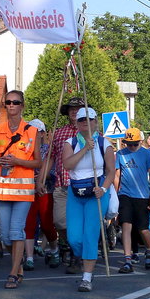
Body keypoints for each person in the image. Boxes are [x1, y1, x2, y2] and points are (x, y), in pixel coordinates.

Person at [0, 90, 41, 289]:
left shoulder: (32, 131)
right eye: (8, 102)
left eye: (15, 102)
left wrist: (18, 161)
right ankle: (18, 266)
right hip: (2, 189)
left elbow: (38, 163)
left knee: (17, 231)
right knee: (5, 235)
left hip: (23, 190)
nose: (11, 105)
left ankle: (13, 274)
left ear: (22, 106)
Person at [62, 107, 115, 292]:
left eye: (89, 119)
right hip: (75, 192)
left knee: (89, 234)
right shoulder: (71, 142)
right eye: (81, 119)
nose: (85, 122)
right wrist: (85, 148)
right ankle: (87, 254)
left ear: (95, 122)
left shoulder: (105, 144)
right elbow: (67, 164)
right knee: (74, 237)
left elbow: (111, 171)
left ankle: (86, 277)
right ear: (76, 123)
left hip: (97, 192)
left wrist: (104, 188)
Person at [48, 97, 83, 274]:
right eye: (71, 109)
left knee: (79, 223)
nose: (74, 111)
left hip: (83, 185)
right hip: (61, 184)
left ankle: (76, 254)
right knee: (59, 222)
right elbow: (51, 158)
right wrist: (41, 179)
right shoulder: (59, 133)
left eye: (78, 108)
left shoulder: (91, 133)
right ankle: (72, 246)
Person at [115, 127, 150, 273]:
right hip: (125, 194)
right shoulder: (120, 153)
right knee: (126, 225)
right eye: (128, 144)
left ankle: (149, 249)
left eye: (134, 144)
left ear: (140, 142)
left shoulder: (146, 153)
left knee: (143, 228)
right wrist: (115, 194)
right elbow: (117, 175)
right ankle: (127, 259)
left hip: (142, 195)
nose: (131, 147)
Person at [24, 119, 59, 270]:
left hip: (46, 190)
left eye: (36, 132)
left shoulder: (49, 150)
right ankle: (29, 257)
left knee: (46, 224)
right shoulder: (25, 149)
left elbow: (53, 172)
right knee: (29, 223)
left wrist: (42, 178)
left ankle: (54, 249)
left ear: (43, 133)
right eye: (30, 131)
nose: (33, 135)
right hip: (27, 190)